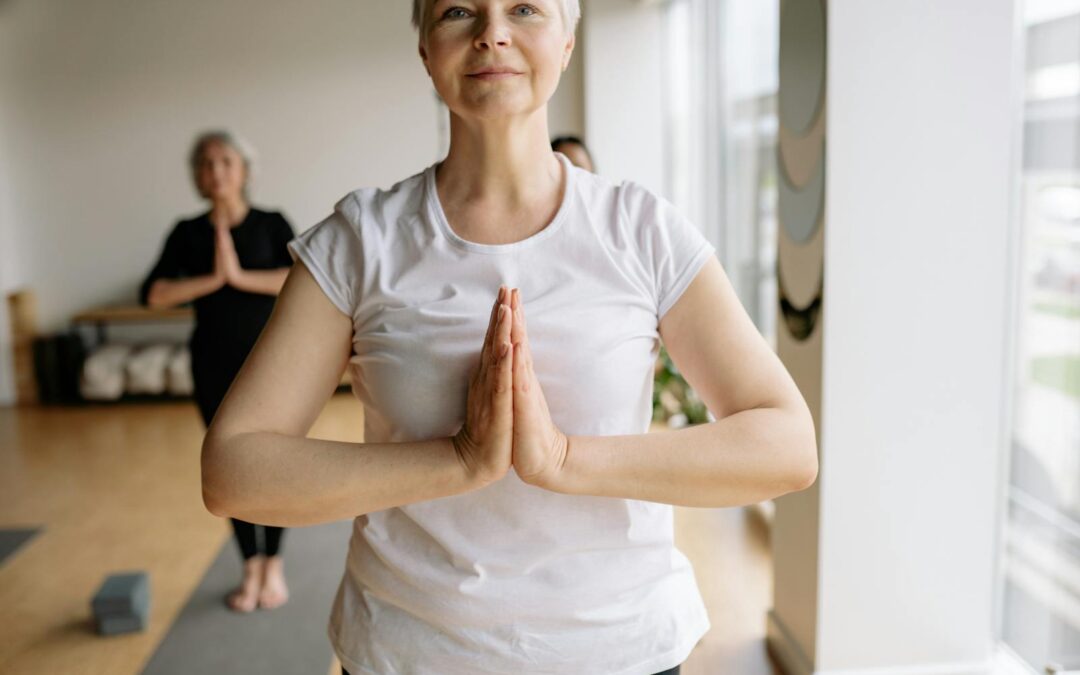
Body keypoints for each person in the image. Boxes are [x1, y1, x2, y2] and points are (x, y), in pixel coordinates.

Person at [201, 1, 819, 673]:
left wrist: (560, 458)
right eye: (458, 11)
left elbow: (786, 443)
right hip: (407, 652)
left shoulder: (640, 230)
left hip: (621, 649)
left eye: (524, 7)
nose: (492, 31)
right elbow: (233, 468)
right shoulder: (360, 240)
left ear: (568, 41)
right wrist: (459, 460)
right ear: (425, 50)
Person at [140, 130, 296, 614]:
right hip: (211, 360)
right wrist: (214, 279)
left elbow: (304, 278)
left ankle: (275, 561)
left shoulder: (271, 224)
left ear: (245, 170)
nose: (216, 171)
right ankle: (249, 564)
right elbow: (155, 293)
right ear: (197, 176)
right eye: (205, 163)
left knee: (273, 463)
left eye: (226, 161)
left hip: (270, 360)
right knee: (229, 466)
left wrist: (240, 278)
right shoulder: (186, 232)